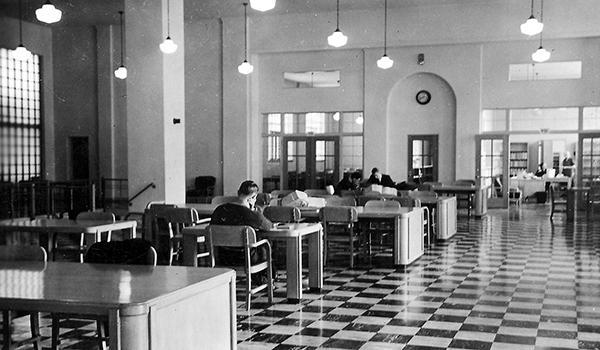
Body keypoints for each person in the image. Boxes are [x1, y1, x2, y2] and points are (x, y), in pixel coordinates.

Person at [210, 180, 275, 281]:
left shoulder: (220, 209)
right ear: (252, 198)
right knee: (266, 242)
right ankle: (266, 279)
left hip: (223, 257)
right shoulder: (251, 214)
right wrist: (254, 210)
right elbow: (269, 227)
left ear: (238, 193)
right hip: (246, 259)